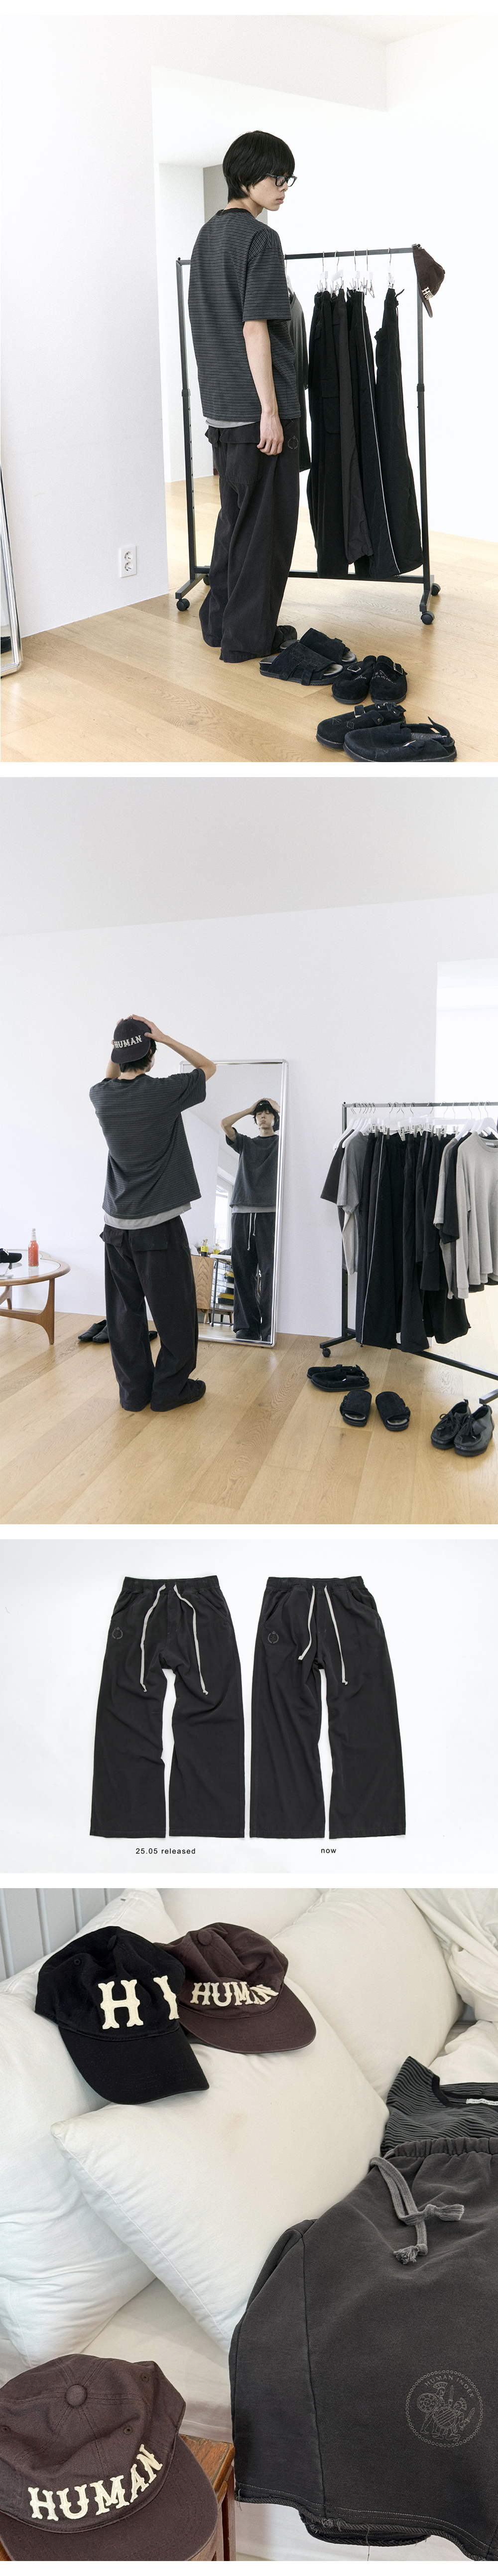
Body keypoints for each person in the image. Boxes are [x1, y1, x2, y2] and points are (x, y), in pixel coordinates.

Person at [188, 131, 301, 664]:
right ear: (246, 176)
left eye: (288, 178)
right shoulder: (261, 240)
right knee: (266, 532)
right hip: (257, 410)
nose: (283, 188)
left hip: (221, 408)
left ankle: (219, 623)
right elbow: (254, 328)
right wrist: (271, 413)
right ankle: (247, 640)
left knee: (235, 523)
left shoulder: (207, 236)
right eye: (276, 177)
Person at [90, 1014, 216, 1413]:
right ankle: (169, 1391)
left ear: (117, 1056)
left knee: (124, 1317)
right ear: (152, 1055)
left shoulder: (101, 1096)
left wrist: (120, 1045)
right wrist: (163, 1036)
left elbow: (110, 1076)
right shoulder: (165, 1092)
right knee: (175, 1313)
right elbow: (207, 1067)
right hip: (158, 1228)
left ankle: (133, 1395)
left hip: (115, 1227)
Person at [221, 1097, 280, 1341]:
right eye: (259, 1113)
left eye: (268, 1113)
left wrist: (277, 1106)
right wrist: (249, 1110)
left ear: (276, 1118)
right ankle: (247, 1327)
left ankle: (269, 1328)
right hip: (242, 1213)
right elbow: (225, 1124)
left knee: (270, 1272)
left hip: (270, 1214)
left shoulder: (282, 1143)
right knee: (243, 1272)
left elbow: (298, 1127)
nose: (263, 1116)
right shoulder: (246, 1143)